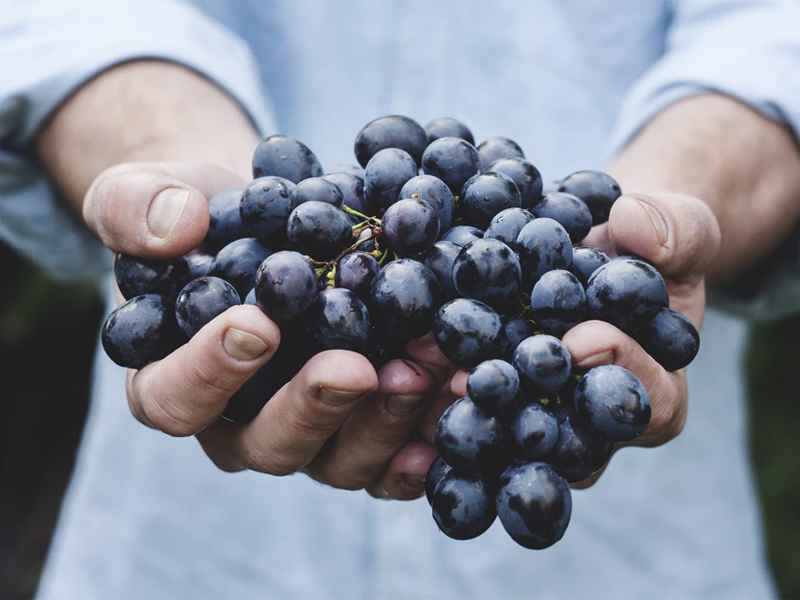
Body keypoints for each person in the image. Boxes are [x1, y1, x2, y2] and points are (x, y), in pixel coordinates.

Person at [2, 0, 800, 597]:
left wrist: (673, 205)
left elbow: (772, 35)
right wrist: (173, 176)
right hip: (192, 553)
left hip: (637, 558)